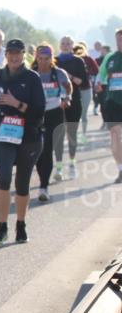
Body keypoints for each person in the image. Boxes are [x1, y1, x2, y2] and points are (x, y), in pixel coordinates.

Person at [0, 39, 45, 244]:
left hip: (29, 135)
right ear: (6, 54)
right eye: (10, 53)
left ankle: (21, 224)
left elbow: (39, 111)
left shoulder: (32, 78)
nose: (14, 57)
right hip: (3, 134)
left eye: (18, 53)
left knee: (22, 183)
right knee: (3, 179)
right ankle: (2, 227)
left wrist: (17, 104)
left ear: (23, 55)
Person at [31, 44, 72, 202]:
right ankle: (43, 181)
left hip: (54, 113)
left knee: (47, 148)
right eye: (40, 59)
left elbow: (68, 90)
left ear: (52, 58)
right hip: (36, 114)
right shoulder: (31, 74)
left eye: (46, 59)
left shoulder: (59, 73)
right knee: (37, 151)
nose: (43, 62)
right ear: (36, 57)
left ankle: (44, 187)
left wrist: (67, 98)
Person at [55, 35, 89, 180]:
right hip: (57, 102)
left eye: (68, 43)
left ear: (72, 46)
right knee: (58, 135)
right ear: (60, 46)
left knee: (72, 135)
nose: (66, 46)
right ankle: (59, 168)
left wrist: (69, 76)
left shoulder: (78, 61)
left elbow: (83, 82)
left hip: (74, 102)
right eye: (63, 43)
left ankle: (72, 164)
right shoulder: (54, 61)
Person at [96, 28, 122, 183]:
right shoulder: (111, 58)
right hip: (113, 101)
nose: (121, 42)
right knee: (115, 136)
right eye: (118, 40)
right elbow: (101, 74)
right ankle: (120, 170)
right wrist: (98, 84)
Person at [75, 42, 99, 141]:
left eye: (81, 49)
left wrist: (88, 73)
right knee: (75, 113)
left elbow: (97, 70)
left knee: (84, 113)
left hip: (86, 89)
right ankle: (75, 134)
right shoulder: (73, 60)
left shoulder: (89, 59)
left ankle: (83, 134)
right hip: (75, 90)